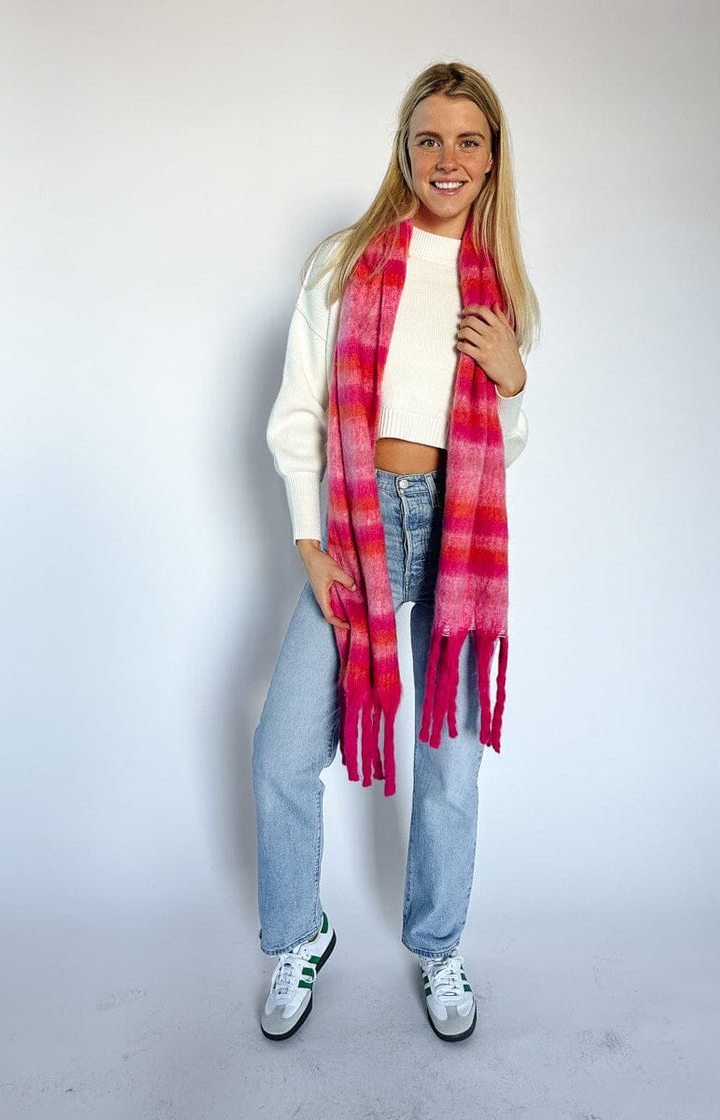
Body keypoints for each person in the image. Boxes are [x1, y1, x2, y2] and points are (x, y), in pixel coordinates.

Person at [252, 60, 540, 1043]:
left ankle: (438, 945)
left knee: (450, 766)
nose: (446, 157)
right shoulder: (346, 262)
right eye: (429, 138)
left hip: (455, 533)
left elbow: (501, 450)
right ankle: (300, 933)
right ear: (405, 149)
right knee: (282, 753)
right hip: (356, 527)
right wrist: (307, 539)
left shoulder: (497, 287)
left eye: (468, 140)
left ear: (491, 157)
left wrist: (512, 381)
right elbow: (298, 411)